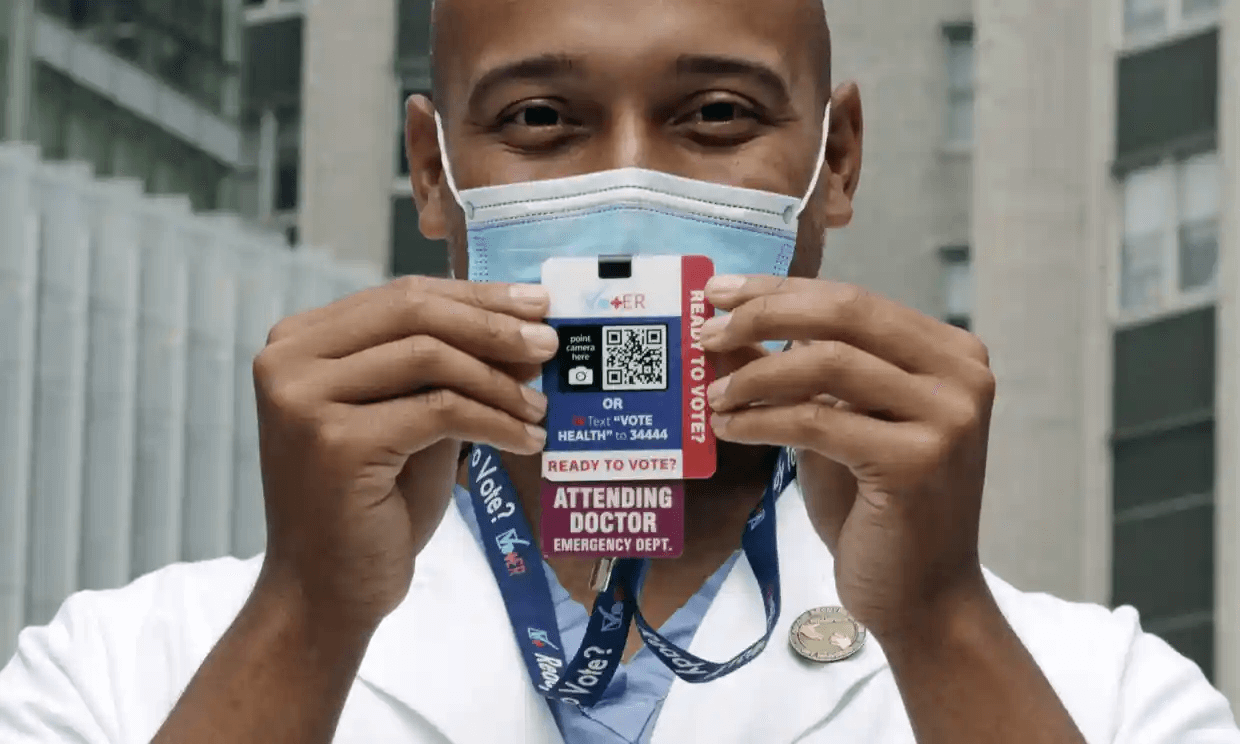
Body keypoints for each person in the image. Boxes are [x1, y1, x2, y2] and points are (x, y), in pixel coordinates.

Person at [2, 0, 1238, 741]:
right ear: (433, 175)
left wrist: (938, 623)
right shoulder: (128, 668)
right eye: (541, 121)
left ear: (839, 157)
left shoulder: (1100, 694)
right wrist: (308, 615)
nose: (634, 197)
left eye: (715, 116)